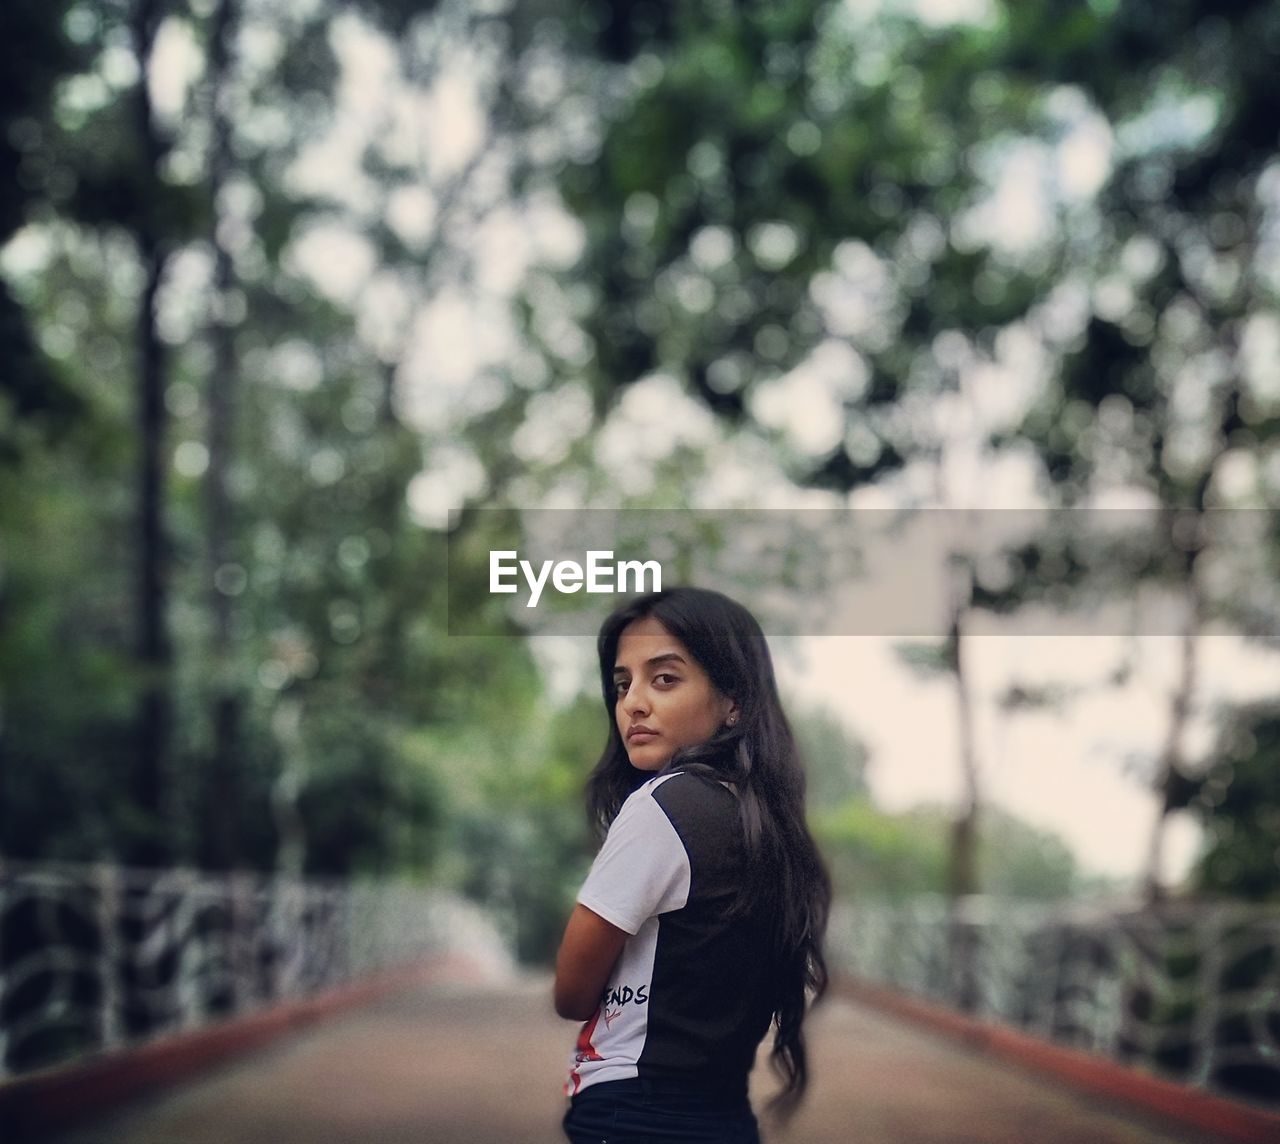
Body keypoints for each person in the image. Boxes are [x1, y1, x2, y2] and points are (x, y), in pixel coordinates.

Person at [554, 586, 831, 1143]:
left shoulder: (663, 806)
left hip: (635, 1113)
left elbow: (572, 993)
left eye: (664, 679)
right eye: (622, 684)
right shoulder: (765, 828)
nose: (633, 702)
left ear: (734, 701)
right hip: (725, 1116)